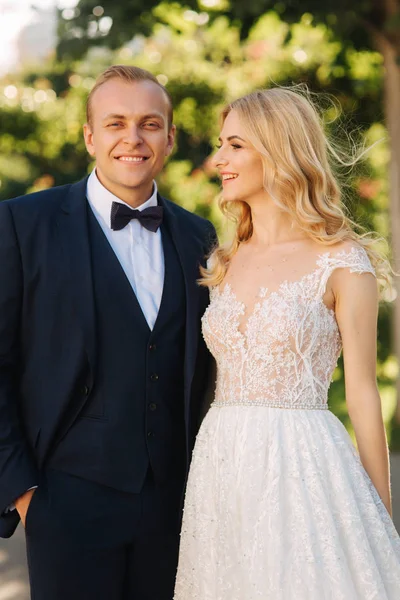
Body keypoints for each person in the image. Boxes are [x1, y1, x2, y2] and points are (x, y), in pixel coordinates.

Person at [174, 87, 400, 599]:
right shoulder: (224, 259)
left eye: (234, 145)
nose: (218, 160)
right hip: (222, 464)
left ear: (277, 150)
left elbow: (363, 393)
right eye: (220, 144)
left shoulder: (342, 261)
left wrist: (381, 513)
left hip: (303, 463)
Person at [0, 64, 216, 600]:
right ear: (90, 136)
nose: (133, 138)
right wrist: (23, 491)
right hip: (63, 500)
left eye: (149, 123)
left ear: (168, 137)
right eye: (116, 123)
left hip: (173, 505)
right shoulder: (21, 224)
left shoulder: (198, 235)